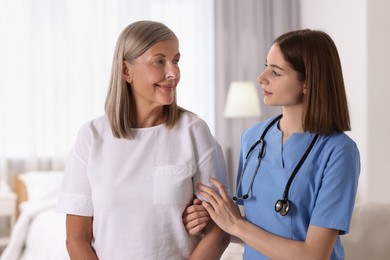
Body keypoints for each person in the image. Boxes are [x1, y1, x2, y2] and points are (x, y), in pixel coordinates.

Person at [56, 20, 231, 260]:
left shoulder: (194, 132)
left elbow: (219, 231)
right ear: (126, 71)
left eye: (176, 60)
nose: (174, 73)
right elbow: (77, 239)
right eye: (160, 61)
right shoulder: (91, 137)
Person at [183, 29, 360, 259]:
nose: (261, 77)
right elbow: (257, 229)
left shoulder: (339, 151)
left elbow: (314, 255)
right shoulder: (253, 138)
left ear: (307, 83)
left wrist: (236, 225)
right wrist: (214, 219)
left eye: (275, 72)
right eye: (266, 65)